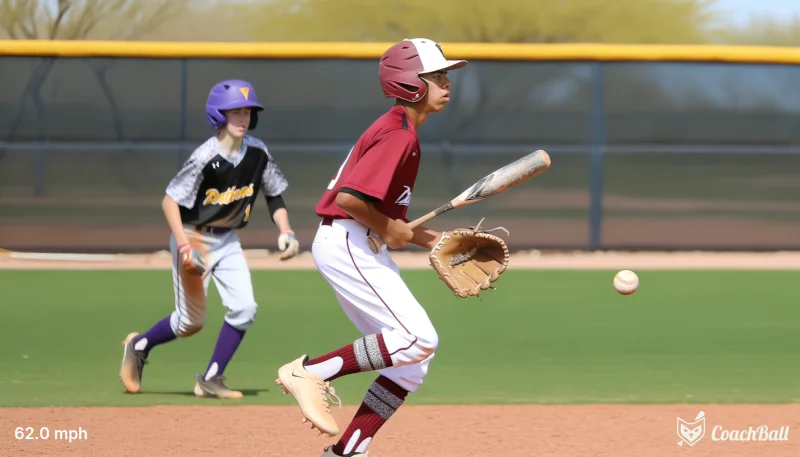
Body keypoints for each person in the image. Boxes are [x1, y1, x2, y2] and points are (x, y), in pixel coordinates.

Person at [274, 38, 467, 456]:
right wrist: (389, 227)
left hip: (355, 241)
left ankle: (346, 451)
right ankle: (311, 372)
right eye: (437, 76)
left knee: (412, 361)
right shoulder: (398, 134)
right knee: (418, 338)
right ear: (411, 83)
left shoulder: (400, 129)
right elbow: (349, 200)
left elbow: (386, 222)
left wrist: (434, 240)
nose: (447, 82)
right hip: (348, 242)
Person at [119, 79, 300, 399]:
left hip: (228, 240)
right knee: (190, 323)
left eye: (247, 112)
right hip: (194, 237)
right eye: (235, 112)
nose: (243, 118)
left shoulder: (258, 152)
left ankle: (211, 378)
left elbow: (274, 195)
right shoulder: (206, 156)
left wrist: (286, 231)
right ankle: (139, 345)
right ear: (219, 115)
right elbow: (169, 202)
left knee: (245, 308)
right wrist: (184, 247)